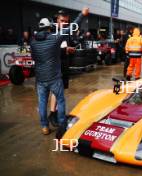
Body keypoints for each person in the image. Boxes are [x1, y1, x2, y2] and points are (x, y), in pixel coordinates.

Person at [30, 8, 89, 136]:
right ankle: (62, 124)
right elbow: (73, 27)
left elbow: (34, 57)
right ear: (50, 27)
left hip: (40, 78)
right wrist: (82, 15)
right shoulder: (54, 38)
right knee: (61, 100)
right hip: (54, 77)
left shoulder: (33, 42)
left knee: (42, 103)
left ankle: (44, 127)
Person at [48, 10, 80, 127]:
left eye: (66, 21)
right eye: (62, 21)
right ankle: (52, 114)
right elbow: (50, 50)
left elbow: (70, 44)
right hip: (55, 66)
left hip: (65, 64)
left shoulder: (66, 32)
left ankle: (56, 113)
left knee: (61, 91)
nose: (64, 23)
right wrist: (65, 50)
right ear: (57, 20)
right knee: (56, 91)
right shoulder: (51, 32)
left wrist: (74, 43)